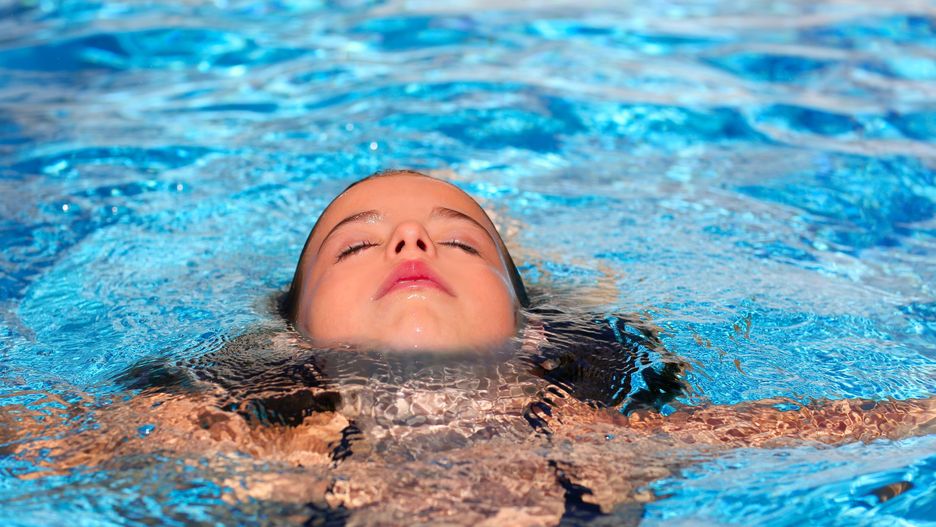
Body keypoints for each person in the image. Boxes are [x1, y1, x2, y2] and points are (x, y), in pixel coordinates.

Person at [4, 169, 933, 525]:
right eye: (358, 242)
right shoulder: (239, 436)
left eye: (459, 240)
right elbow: (37, 439)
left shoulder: (602, 436)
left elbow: (842, 429)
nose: (411, 244)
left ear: (527, 325)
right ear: (295, 332)